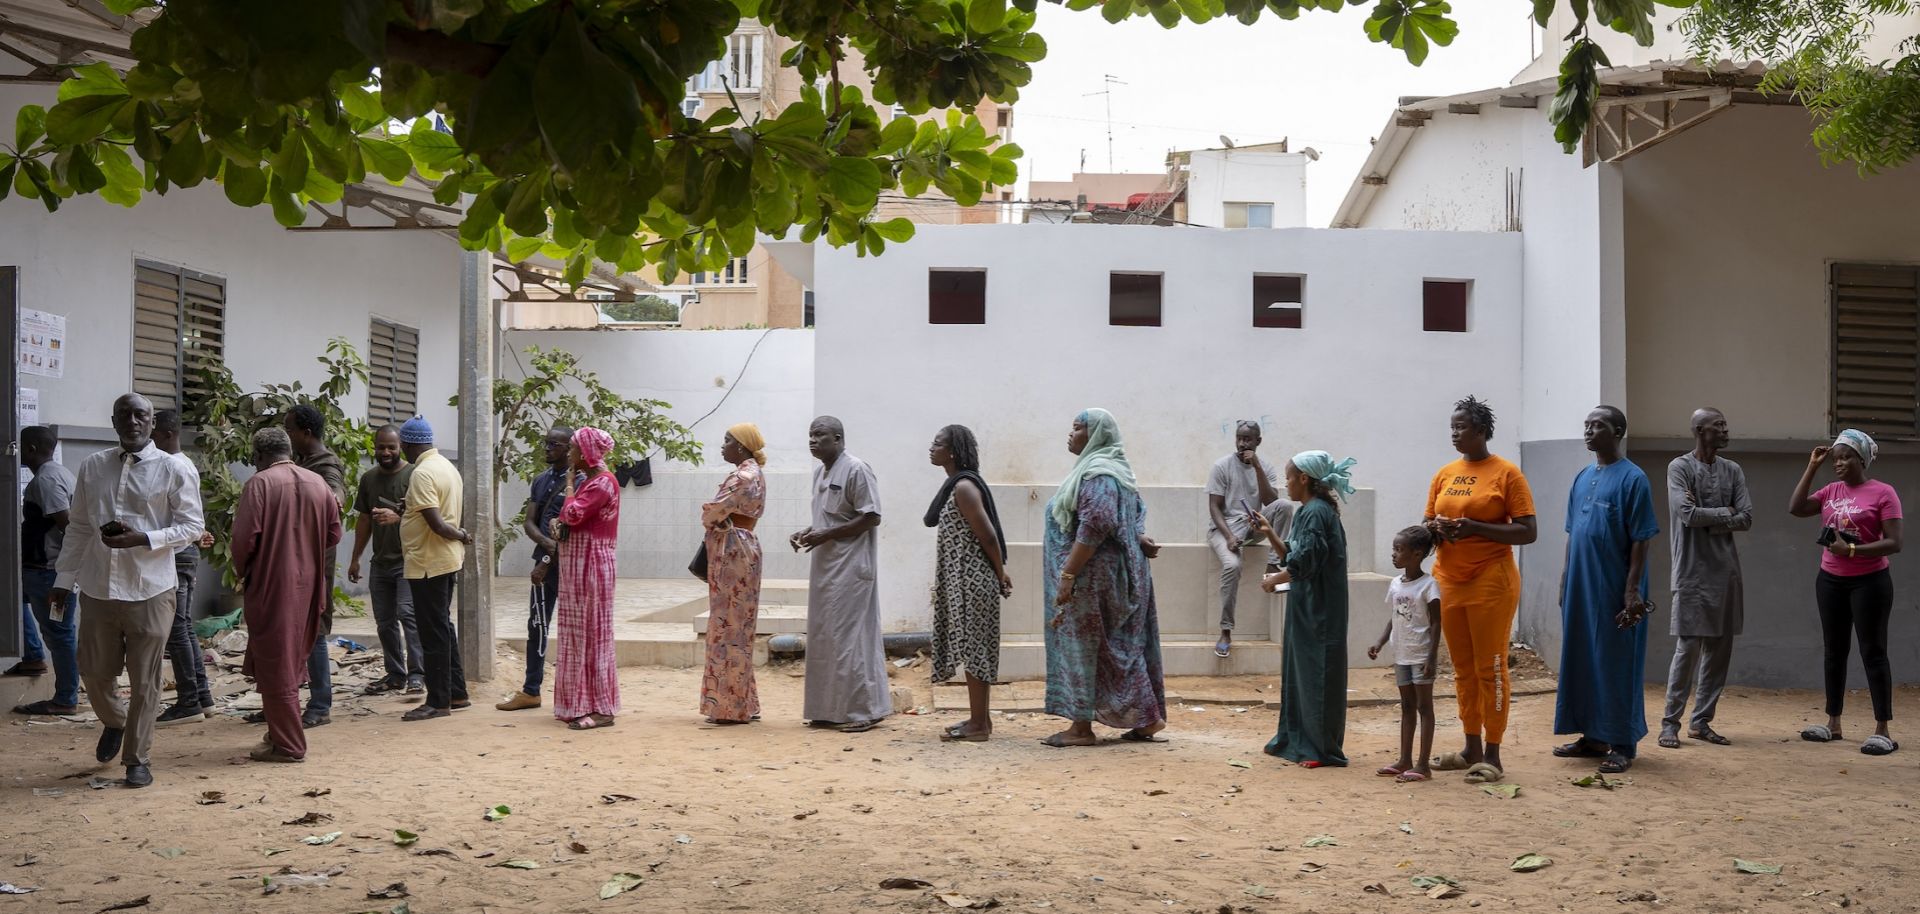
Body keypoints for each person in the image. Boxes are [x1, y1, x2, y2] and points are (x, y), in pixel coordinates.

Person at [52, 393, 204, 788]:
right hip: (99, 588)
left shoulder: (174, 469)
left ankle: (138, 758)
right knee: (95, 673)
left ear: (153, 423)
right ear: (114, 421)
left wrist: (144, 538)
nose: (133, 421)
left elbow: (191, 527)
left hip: (151, 589)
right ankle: (116, 722)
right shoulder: (93, 465)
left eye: (141, 415)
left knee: (145, 679)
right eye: (125, 414)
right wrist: (62, 581)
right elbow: (80, 527)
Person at [1424, 395, 1536, 782]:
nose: (1454, 433)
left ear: (1482, 431)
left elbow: (1527, 531)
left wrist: (1476, 528)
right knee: (1462, 669)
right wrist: (1433, 529)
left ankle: (1493, 753)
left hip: (1492, 580)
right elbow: (1426, 523)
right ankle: (1470, 746)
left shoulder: (1506, 474)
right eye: (1452, 427)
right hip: (1449, 581)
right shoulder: (1445, 473)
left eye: (1461, 427)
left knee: (1491, 667)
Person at [1040, 408, 1166, 748]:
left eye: (1078, 428)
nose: (1071, 434)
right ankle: (1146, 718)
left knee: (1085, 647)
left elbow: (1097, 523)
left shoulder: (1098, 475)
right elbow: (1122, 519)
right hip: (1113, 575)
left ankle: (1081, 728)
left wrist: (1068, 573)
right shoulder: (1116, 473)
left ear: (1095, 436)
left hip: (1091, 581)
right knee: (1119, 646)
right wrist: (1138, 539)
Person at [1553, 405, 1660, 775]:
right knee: (1583, 657)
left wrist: (1631, 591)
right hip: (1582, 586)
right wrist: (1566, 578)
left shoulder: (1634, 479)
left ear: (1617, 432)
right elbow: (1573, 533)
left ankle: (1623, 743)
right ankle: (1593, 737)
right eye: (1586, 425)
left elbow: (1641, 539)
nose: (1588, 432)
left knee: (1615, 662)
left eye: (1597, 426)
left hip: (1615, 587)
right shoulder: (1583, 476)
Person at [230, 427, 342, 762]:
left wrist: (246, 571)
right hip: (309, 585)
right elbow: (333, 533)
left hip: (272, 584)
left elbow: (243, 540)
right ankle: (278, 733)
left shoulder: (260, 484)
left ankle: (290, 745)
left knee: (277, 661)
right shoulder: (317, 483)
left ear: (259, 456)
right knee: (290, 657)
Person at [1789, 428, 1902, 756]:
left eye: (1846, 457)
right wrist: (1811, 467)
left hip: (1870, 582)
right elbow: (1796, 507)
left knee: (1873, 652)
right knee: (1833, 652)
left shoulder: (1883, 492)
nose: (1838, 463)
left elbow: (1895, 543)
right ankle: (1833, 723)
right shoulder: (1830, 490)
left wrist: (1850, 551)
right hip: (1831, 580)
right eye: (1836, 458)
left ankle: (1883, 729)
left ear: (1861, 459)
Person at [1253, 450, 1356, 768]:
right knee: (1300, 672)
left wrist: (1275, 580)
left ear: (1304, 479)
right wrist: (1270, 532)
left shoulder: (1316, 512)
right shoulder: (1307, 512)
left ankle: (1318, 748)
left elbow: (1306, 563)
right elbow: (1293, 555)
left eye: (1287, 478)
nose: (1285, 485)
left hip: (1320, 610)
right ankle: (1294, 738)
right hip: (1307, 607)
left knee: (1318, 674)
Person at [1658, 408, 1752, 749]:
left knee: (1720, 648)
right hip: (1691, 572)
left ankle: (1701, 722)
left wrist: (1713, 517)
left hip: (1726, 572)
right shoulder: (1679, 468)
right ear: (1700, 430)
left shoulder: (1733, 470)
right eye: (1719, 426)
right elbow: (1686, 514)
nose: (1726, 431)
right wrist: (1725, 513)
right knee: (1687, 648)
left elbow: (1747, 517)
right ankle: (1670, 723)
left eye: (1726, 424)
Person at [792, 416, 891, 732]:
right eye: (810, 435)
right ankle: (827, 710)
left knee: (850, 639)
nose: (812, 440)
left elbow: (871, 516)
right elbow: (829, 518)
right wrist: (808, 532)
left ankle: (860, 713)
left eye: (819, 435)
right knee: (825, 638)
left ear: (838, 438)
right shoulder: (820, 473)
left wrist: (827, 535)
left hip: (851, 568)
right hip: (826, 568)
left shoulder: (857, 469)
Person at [926, 424, 1012, 742]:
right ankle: (981, 721)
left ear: (952, 451)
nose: (931, 447)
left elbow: (988, 535)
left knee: (976, 652)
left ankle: (978, 725)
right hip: (967, 580)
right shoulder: (958, 485)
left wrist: (1000, 573)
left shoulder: (963, 487)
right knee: (975, 651)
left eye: (937, 443)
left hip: (973, 582)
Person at [388, 416, 472, 722]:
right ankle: (457, 692)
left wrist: (461, 534)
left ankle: (438, 702)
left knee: (432, 632)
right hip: (444, 559)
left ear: (409, 444)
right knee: (443, 627)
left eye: (402, 446)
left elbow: (437, 524)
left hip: (428, 561)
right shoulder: (447, 467)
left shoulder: (422, 472)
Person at [498, 425, 574, 711]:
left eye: (554, 445)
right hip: (545, 563)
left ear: (569, 449)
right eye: (546, 443)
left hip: (569, 567)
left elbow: (567, 531)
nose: (547, 449)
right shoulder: (541, 480)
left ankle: (572, 691)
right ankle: (531, 690)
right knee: (537, 625)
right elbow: (530, 522)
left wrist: (547, 557)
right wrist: (545, 547)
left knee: (574, 629)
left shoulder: (578, 482)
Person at [551, 427, 622, 730]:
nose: (569, 454)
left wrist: (568, 487)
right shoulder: (593, 481)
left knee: (594, 636)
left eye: (573, 449)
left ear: (586, 452)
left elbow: (573, 515)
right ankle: (578, 703)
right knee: (578, 635)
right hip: (579, 568)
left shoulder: (602, 483)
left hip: (592, 566)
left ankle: (602, 708)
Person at [1206, 420, 1296, 658]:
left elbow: (1270, 502)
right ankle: (1225, 630)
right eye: (1239, 438)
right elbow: (1214, 507)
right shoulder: (1221, 466)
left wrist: (1256, 467)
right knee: (1233, 565)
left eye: (1248, 439)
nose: (1242, 443)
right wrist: (1228, 536)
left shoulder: (1264, 467)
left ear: (1258, 441)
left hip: (1253, 524)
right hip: (1224, 529)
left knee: (1285, 505)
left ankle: (1273, 563)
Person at [347, 424, 424, 695]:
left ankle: (417, 674)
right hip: (380, 563)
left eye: (392, 446)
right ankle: (395, 674)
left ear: (400, 446)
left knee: (408, 614)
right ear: (375, 448)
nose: (386, 452)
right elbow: (364, 519)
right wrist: (355, 558)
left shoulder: (415, 475)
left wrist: (399, 517)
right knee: (384, 621)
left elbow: (426, 515)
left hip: (408, 560)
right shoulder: (368, 479)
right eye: (381, 447)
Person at [283, 404, 346, 728]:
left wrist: (332, 498)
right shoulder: (302, 462)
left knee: (317, 629)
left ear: (306, 433)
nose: (288, 436)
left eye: (291, 430)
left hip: (316, 561)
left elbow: (337, 492)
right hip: (297, 558)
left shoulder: (325, 464)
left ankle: (321, 704)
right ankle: (286, 699)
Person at [700, 424, 769, 725]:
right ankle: (744, 701)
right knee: (739, 628)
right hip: (744, 547)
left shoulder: (742, 476)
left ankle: (727, 706)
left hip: (733, 550)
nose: (723, 446)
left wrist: (709, 516)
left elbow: (712, 512)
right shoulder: (755, 474)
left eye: (727, 440)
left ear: (741, 446)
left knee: (726, 626)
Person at [151, 409, 216, 727]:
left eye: (151, 432)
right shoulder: (184, 463)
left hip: (177, 553)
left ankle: (189, 700)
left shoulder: (172, 465)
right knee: (184, 627)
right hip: (184, 551)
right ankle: (201, 697)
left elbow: (185, 519)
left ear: (165, 433)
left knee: (177, 629)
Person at [10, 426, 79, 714]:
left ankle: (66, 699)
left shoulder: (48, 480)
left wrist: (67, 571)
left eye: (22, 446)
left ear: (32, 449)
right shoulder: (58, 472)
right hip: (40, 570)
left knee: (59, 634)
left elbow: (68, 525)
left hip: (50, 573)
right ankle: (33, 655)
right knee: (13, 603)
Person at [1368, 525, 1442, 782]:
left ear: (1417, 554)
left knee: (1424, 707)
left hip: (1421, 655)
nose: (1394, 555)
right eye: (1394, 549)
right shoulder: (1395, 583)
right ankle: (1404, 760)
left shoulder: (1429, 585)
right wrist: (1380, 642)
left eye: (1399, 550)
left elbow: (1435, 622)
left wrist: (1432, 657)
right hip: (1401, 653)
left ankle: (1423, 765)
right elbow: (1394, 617)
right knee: (1407, 706)